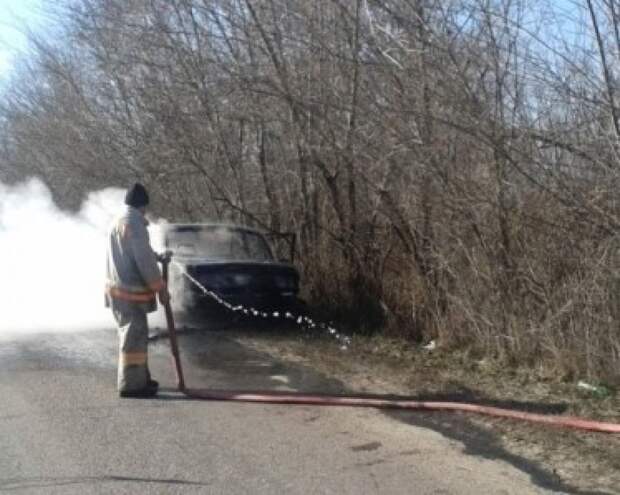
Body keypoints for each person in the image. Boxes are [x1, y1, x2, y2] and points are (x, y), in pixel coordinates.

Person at [105, 183, 170, 397]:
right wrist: (160, 288)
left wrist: (157, 256)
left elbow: (136, 252)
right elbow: (143, 261)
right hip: (129, 293)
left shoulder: (119, 219)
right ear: (142, 205)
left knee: (135, 338)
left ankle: (140, 378)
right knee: (133, 340)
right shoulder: (133, 223)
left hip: (119, 291)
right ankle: (132, 386)